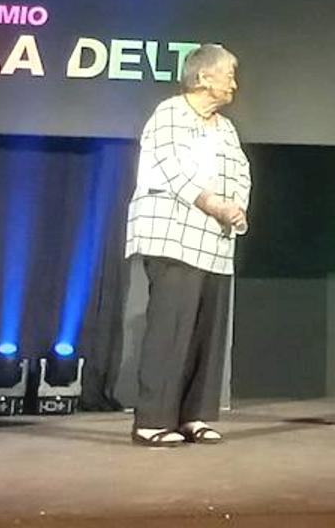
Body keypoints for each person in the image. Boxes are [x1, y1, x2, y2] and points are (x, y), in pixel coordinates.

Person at [123, 44, 251, 447]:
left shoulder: (226, 127)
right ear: (203, 77)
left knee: (206, 331)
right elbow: (173, 169)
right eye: (228, 73)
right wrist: (214, 203)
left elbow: (241, 172)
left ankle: (194, 415)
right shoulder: (170, 114)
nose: (234, 82)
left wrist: (239, 208)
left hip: (215, 238)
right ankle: (152, 421)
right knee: (171, 326)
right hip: (173, 233)